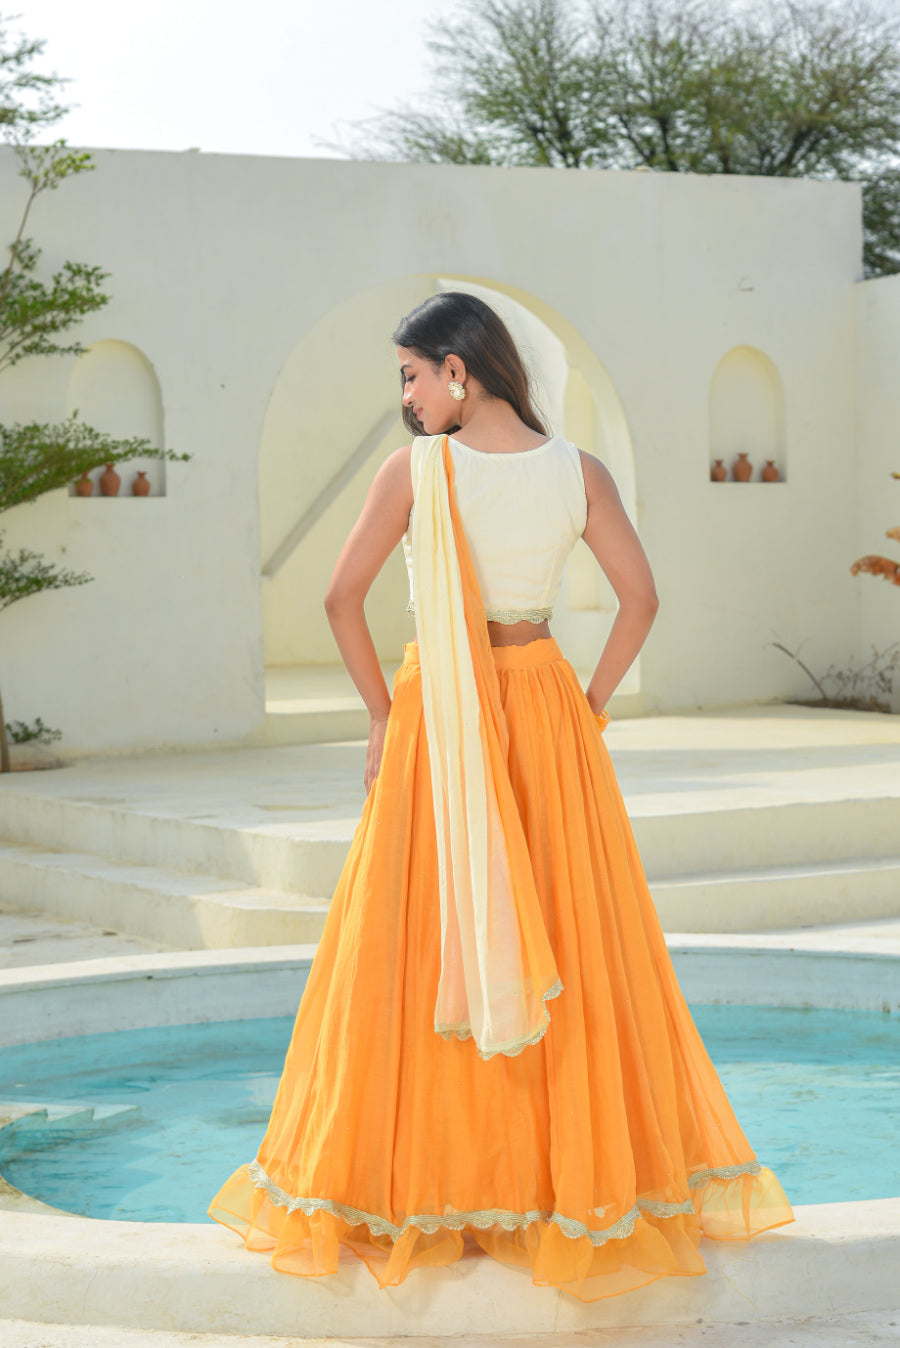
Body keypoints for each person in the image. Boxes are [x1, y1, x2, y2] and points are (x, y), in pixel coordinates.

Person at [208, 291, 793, 1303]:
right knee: (569, 942)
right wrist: (588, 704)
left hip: (442, 714)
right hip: (547, 708)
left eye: (410, 375)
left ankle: (435, 1191)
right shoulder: (579, 471)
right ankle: (562, 1189)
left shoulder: (416, 472)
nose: (405, 397)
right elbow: (642, 598)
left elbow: (340, 599)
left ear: (458, 370)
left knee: (421, 940)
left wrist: (384, 715)